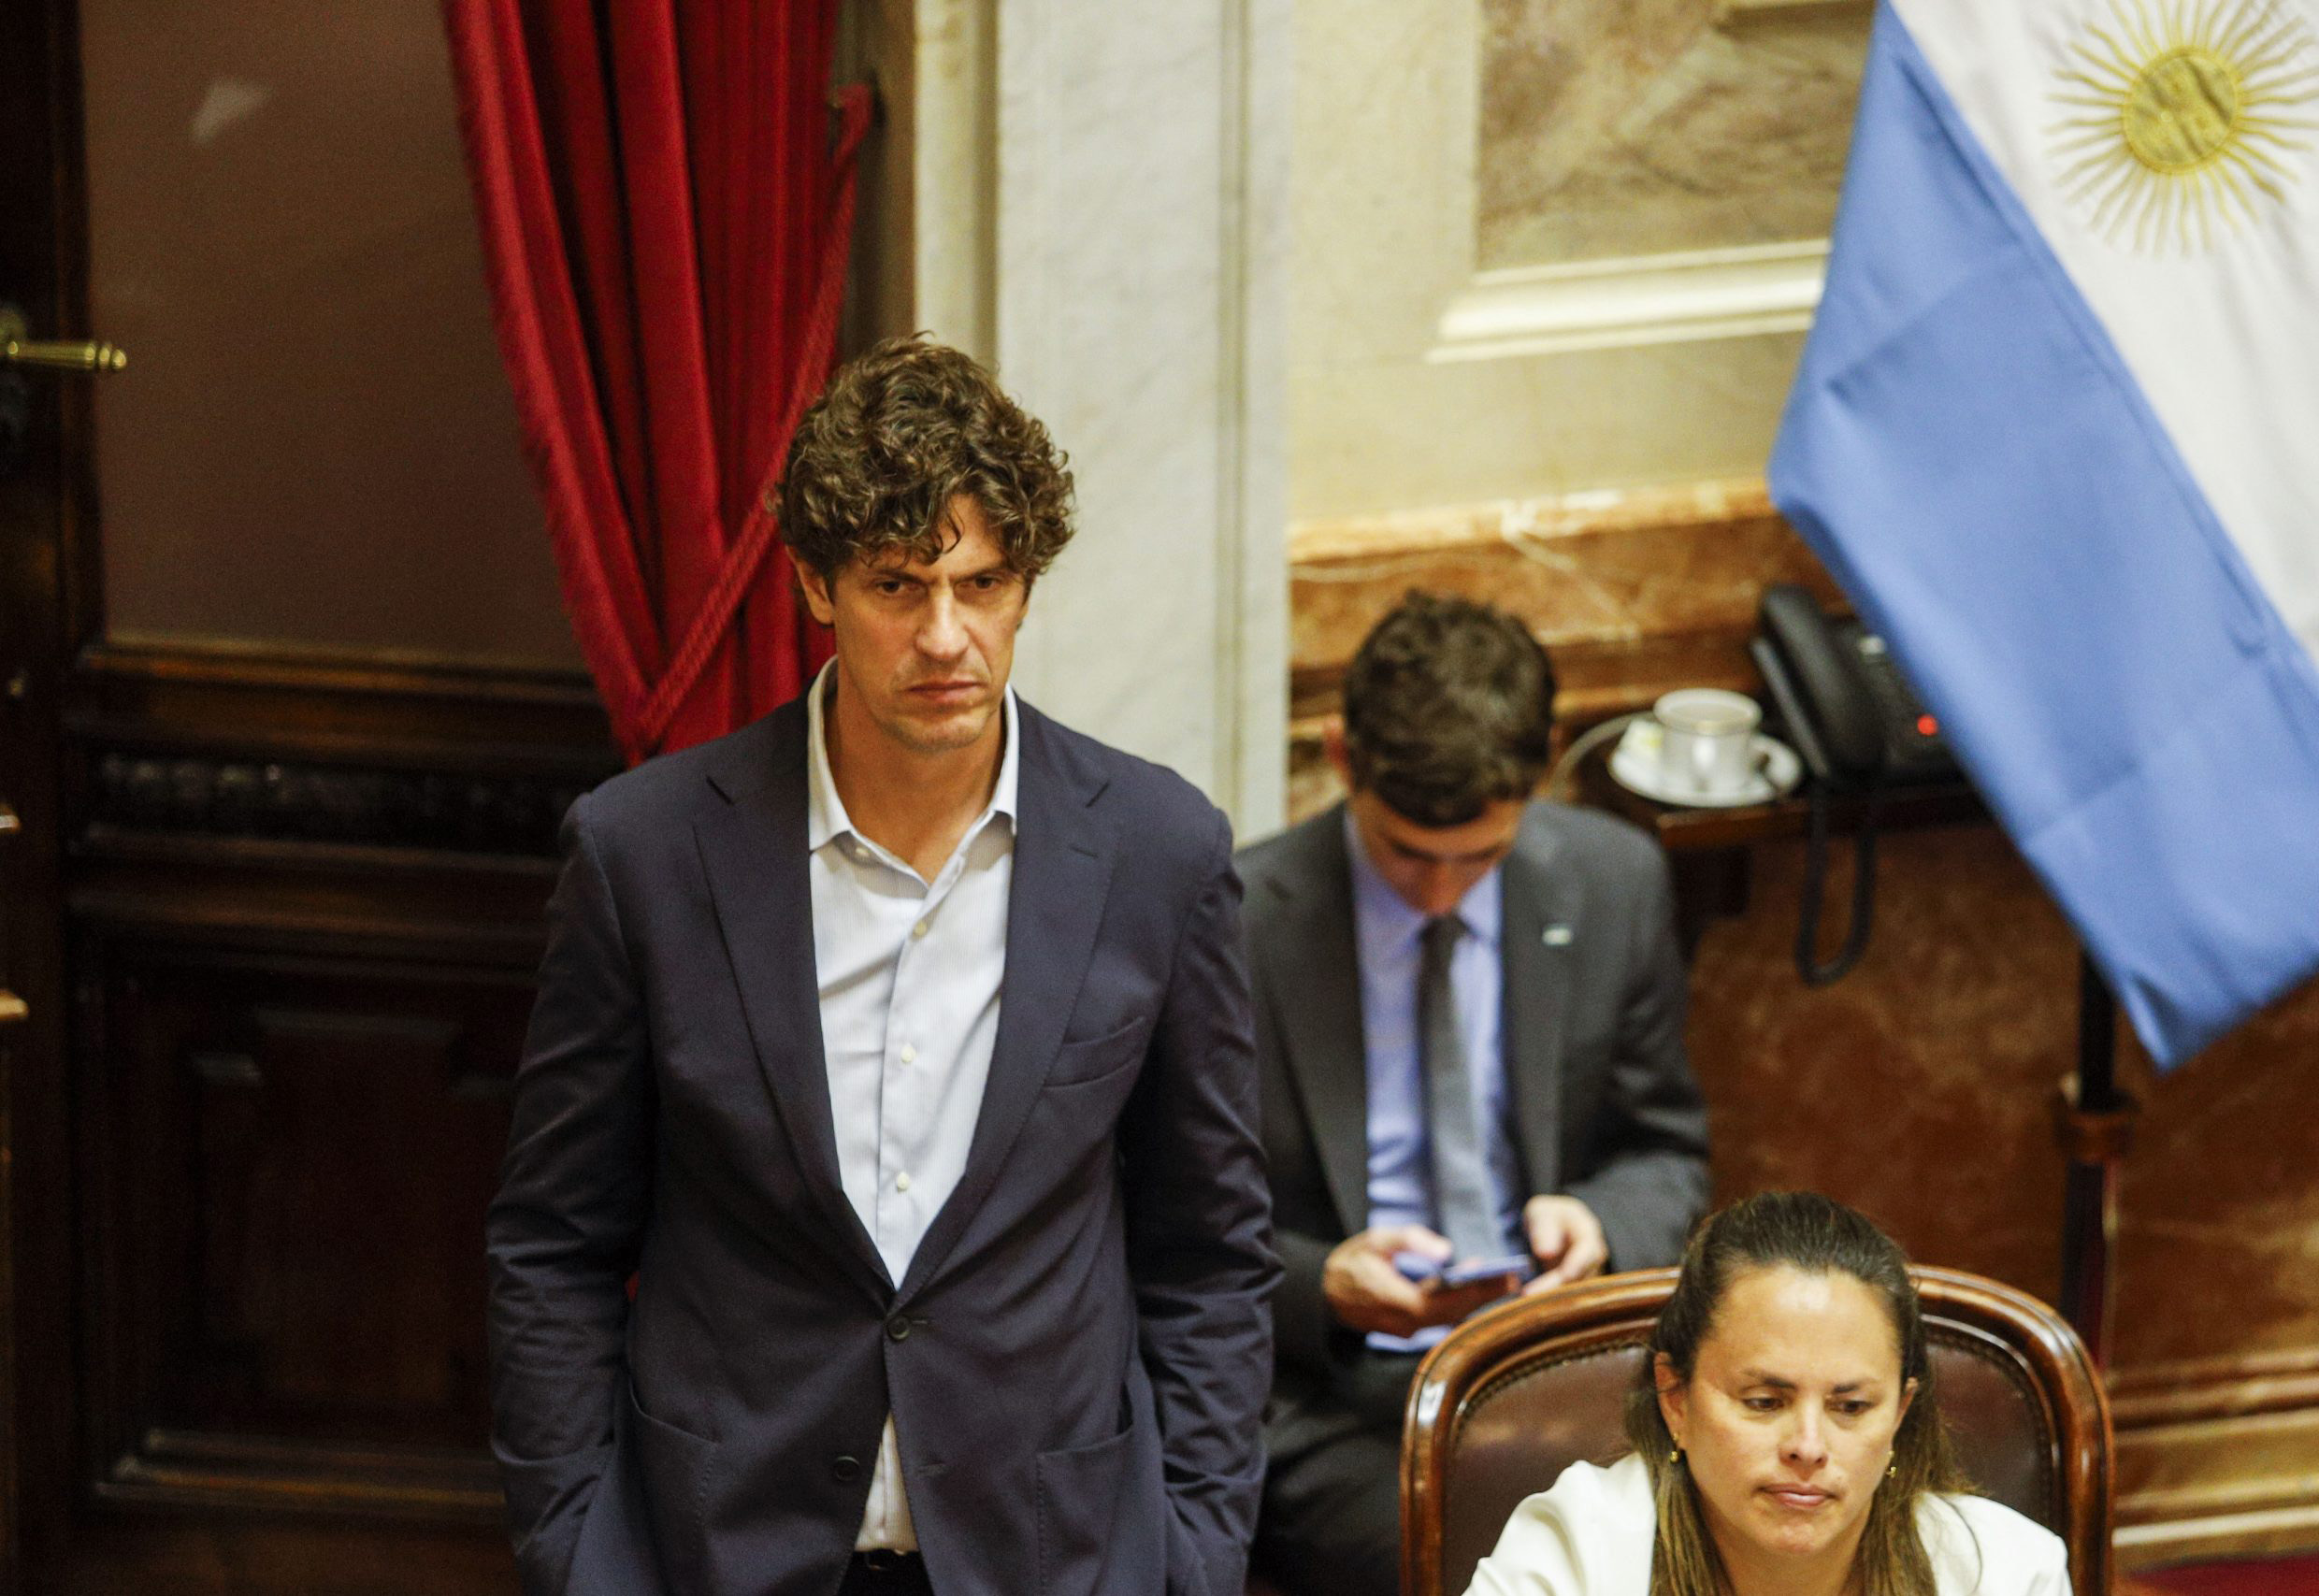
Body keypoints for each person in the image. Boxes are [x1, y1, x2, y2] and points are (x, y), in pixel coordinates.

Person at [485, 336, 1277, 1596]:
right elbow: (555, 1240)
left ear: (1027, 585)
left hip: (1056, 1549)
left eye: (984, 581)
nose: (946, 636)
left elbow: (1211, 1250)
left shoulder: (1156, 851)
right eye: (899, 585)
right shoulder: (645, 852)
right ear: (815, 582)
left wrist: (1193, 1549)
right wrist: (582, 1549)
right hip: (720, 1543)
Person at [1240, 592, 1710, 1596]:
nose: (1441, 892)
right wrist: (1323, 1283)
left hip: (1568, 1361)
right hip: (1336, 1400)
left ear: (1541, 765)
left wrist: (1596, 1222)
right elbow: (1170, 1225)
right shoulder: (1238, 925)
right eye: (1408, 854)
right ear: (1340, 756)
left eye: (1480, 858)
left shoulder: (1611, 882)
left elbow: (1665, 1151)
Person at [1464, 1191, 2070, 1595]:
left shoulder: (2006, 1572)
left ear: (1899, 1416)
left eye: (1851, 1407)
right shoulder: (1575, 1554)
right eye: (1764, 1401)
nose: (1809, 1446)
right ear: (1675, 1399)